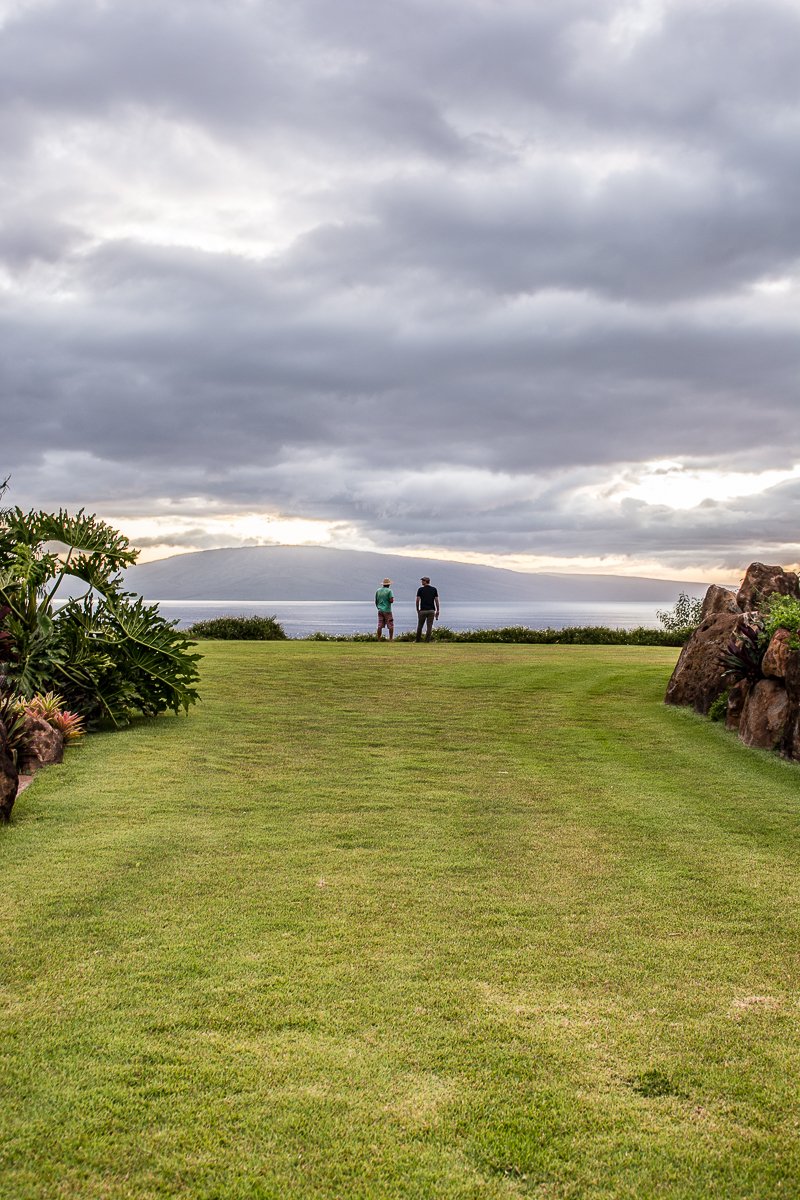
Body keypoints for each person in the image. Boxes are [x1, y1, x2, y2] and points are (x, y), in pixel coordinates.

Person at [415, 576, 440, 642]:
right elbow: (436, 600)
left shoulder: (420, 589)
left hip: (423, 610)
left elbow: (417, 600)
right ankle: (427, 640)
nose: (422, 582)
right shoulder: (434, 589)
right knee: (429, 626)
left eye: (423, 581)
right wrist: (438, 610)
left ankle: (418, 640)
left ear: (426, 581)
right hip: (431, 610)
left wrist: (417, 609)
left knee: (420, 626)